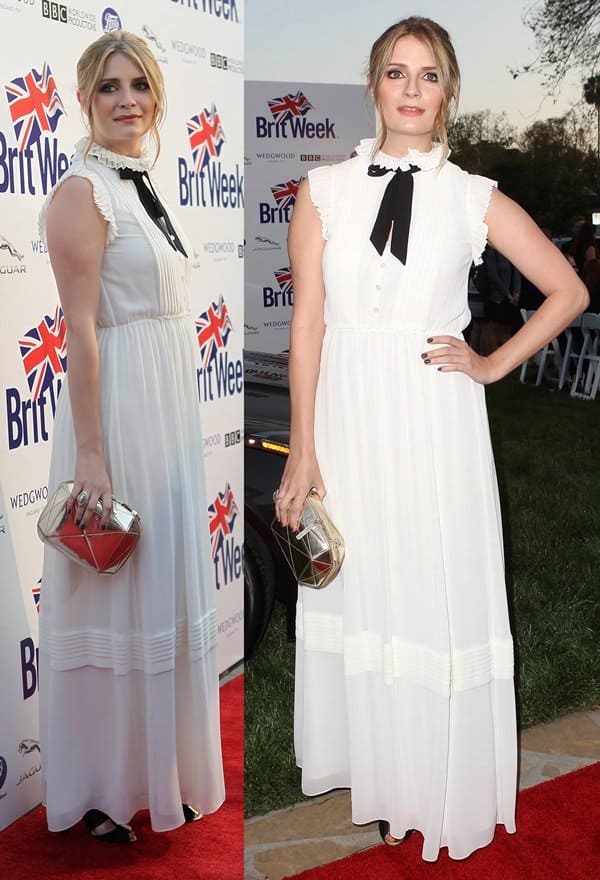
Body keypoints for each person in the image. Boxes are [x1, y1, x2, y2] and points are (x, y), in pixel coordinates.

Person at [274, 16, 588, 863]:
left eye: (428, 75)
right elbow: (307, 323)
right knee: (367, 584)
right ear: (373, 85)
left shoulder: (473, 196)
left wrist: (491, 365)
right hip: (346, 413)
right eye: (395, 72)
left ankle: (436, 777)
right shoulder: (322, 190)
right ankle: (381, 771)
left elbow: (566, 291)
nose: (411, 89)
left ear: (448, 92)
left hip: (433, 416)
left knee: (428, 585)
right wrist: (303, 449)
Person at [38, 31, 225, 843]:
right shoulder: (82, 193)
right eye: (109, 87)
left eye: (139, 86)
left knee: (157, 593)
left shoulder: (140, 180)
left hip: (167, 412)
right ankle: (108, 792)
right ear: (84, 100)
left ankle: (157, 774)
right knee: (114, 598)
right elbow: (81, 333)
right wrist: (90, 453)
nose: (126, 101)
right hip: (115, 416)